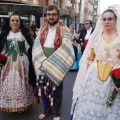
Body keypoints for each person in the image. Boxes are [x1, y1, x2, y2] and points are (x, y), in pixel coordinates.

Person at [70, 7, 120, 120]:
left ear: (116, 20)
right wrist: (85, 76)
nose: (106, 22)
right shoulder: (96, 36)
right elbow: (90, 58)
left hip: (113, 78)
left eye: (110, 19)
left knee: (109, 108)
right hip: (94, 76)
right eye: (104, 19)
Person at [32, 5, 75, 120]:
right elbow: (36, 46)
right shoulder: (42, 29)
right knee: (44, 88)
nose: (51, 17)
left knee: (57, 89)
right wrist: (39, 60)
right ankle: (46, 111)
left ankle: (56, 113)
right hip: (42, 61)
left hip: (57, 63)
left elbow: (67, 47)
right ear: (46, 16)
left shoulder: (64, 29)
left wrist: (54, 61)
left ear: (58, 16)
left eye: (53, 14)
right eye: (49, 14)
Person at [0, 13, 39, 112]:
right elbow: (3, 49)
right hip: (8, 61)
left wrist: (27, 58)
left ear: (20, 22)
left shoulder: (23, 34)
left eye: (17, 20)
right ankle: (10, 104)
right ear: (9, 23)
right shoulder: (6, 34)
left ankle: (21, 105)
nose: (15, 22)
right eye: (13, 20)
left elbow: (28, 48)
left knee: (22, 82)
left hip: (22, 61)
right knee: (8, 82)